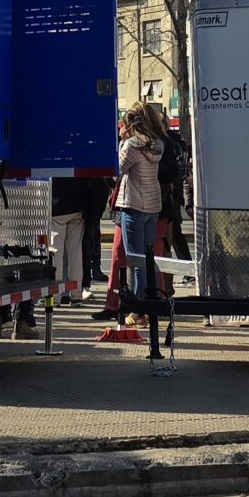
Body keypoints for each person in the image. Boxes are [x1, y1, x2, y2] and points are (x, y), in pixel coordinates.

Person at [106, 102, 167, 360]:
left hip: (133, 204)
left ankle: (137, 309)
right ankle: (150, 301)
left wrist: (121, 142)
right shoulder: (157, 144)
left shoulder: (131, 145)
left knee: (133, 259)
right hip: (153, 204)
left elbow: (115, 172)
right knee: (148, 256)